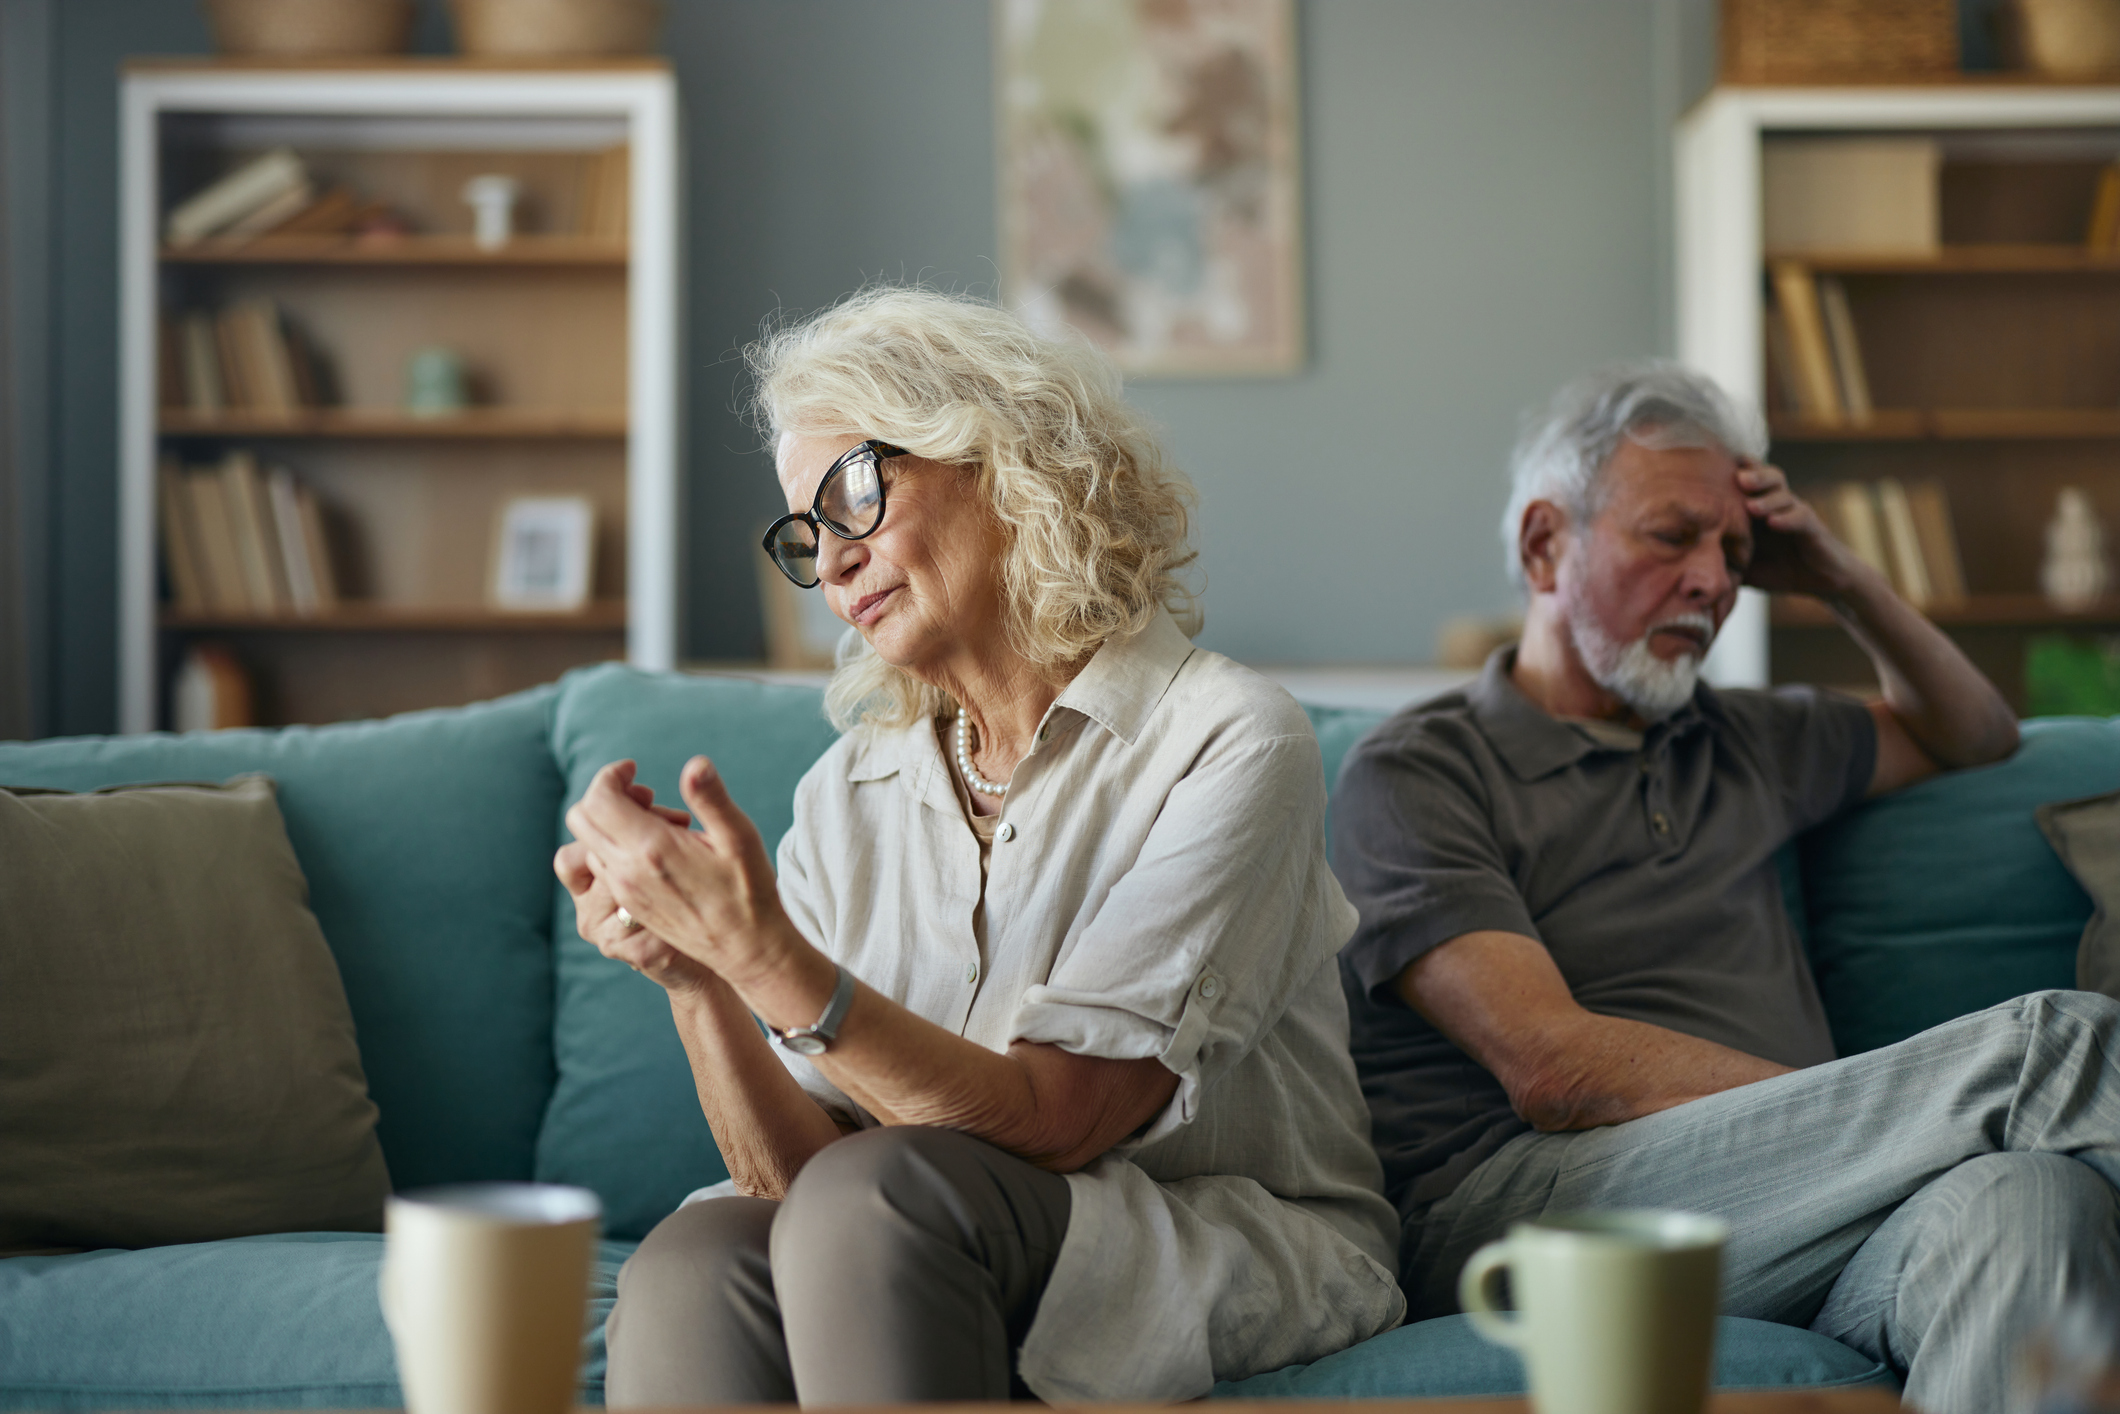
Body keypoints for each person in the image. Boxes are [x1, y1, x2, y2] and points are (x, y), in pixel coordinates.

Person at [555, 288, 1403, 1406]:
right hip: (908, 1232)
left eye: (854, 492)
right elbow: (794, 1187)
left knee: (882, 1196)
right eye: (807, 535)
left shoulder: (1226, 737)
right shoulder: (847, 793)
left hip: (1214, 1233)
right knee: (693, 1261)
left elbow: (1061, 1120)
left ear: (1003, 460)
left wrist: (769, 960)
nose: (834, 561)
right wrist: (696, 971)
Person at [1332, 361, 2120, 1414]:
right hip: (1539, 1207)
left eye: (1736, 554)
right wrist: (1856, 1117)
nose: (1711, 580)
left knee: (2030, 1198)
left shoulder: (1741, 740)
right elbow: (1552, 1066)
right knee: (2048, 1048)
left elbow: (1973, 730)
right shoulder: (1421, 770)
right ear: (1541, 545)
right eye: (1670, 536)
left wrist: (1837, 575)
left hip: (1806, 1210)